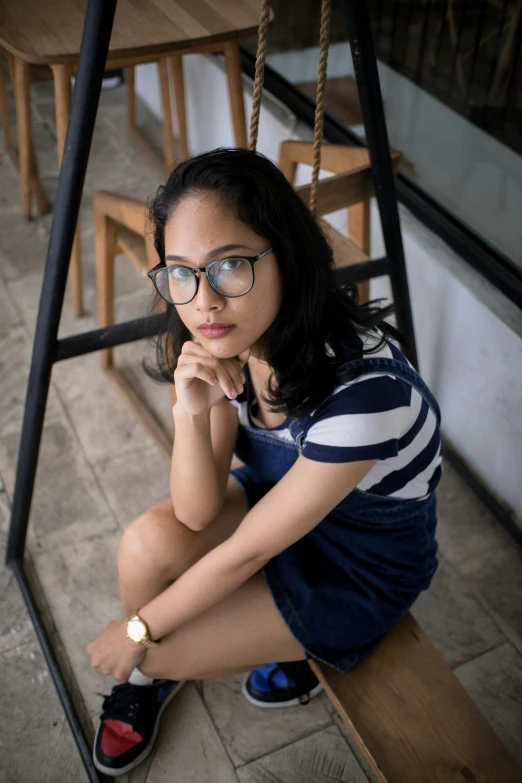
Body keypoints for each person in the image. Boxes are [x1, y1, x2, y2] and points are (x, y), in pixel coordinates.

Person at [87, 148, 442, 776]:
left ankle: (301, 649)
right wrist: (192, 409)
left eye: (229, 266)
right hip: (275, 506)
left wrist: (137, 632)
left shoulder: (365, 393)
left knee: (155, 651)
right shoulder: (209, 332)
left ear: (287, 252)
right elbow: (198, 512)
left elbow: (244, 551)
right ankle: (148, 686)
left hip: (356, 565)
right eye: (181, 272)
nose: (204, 301)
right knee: (146, 545)